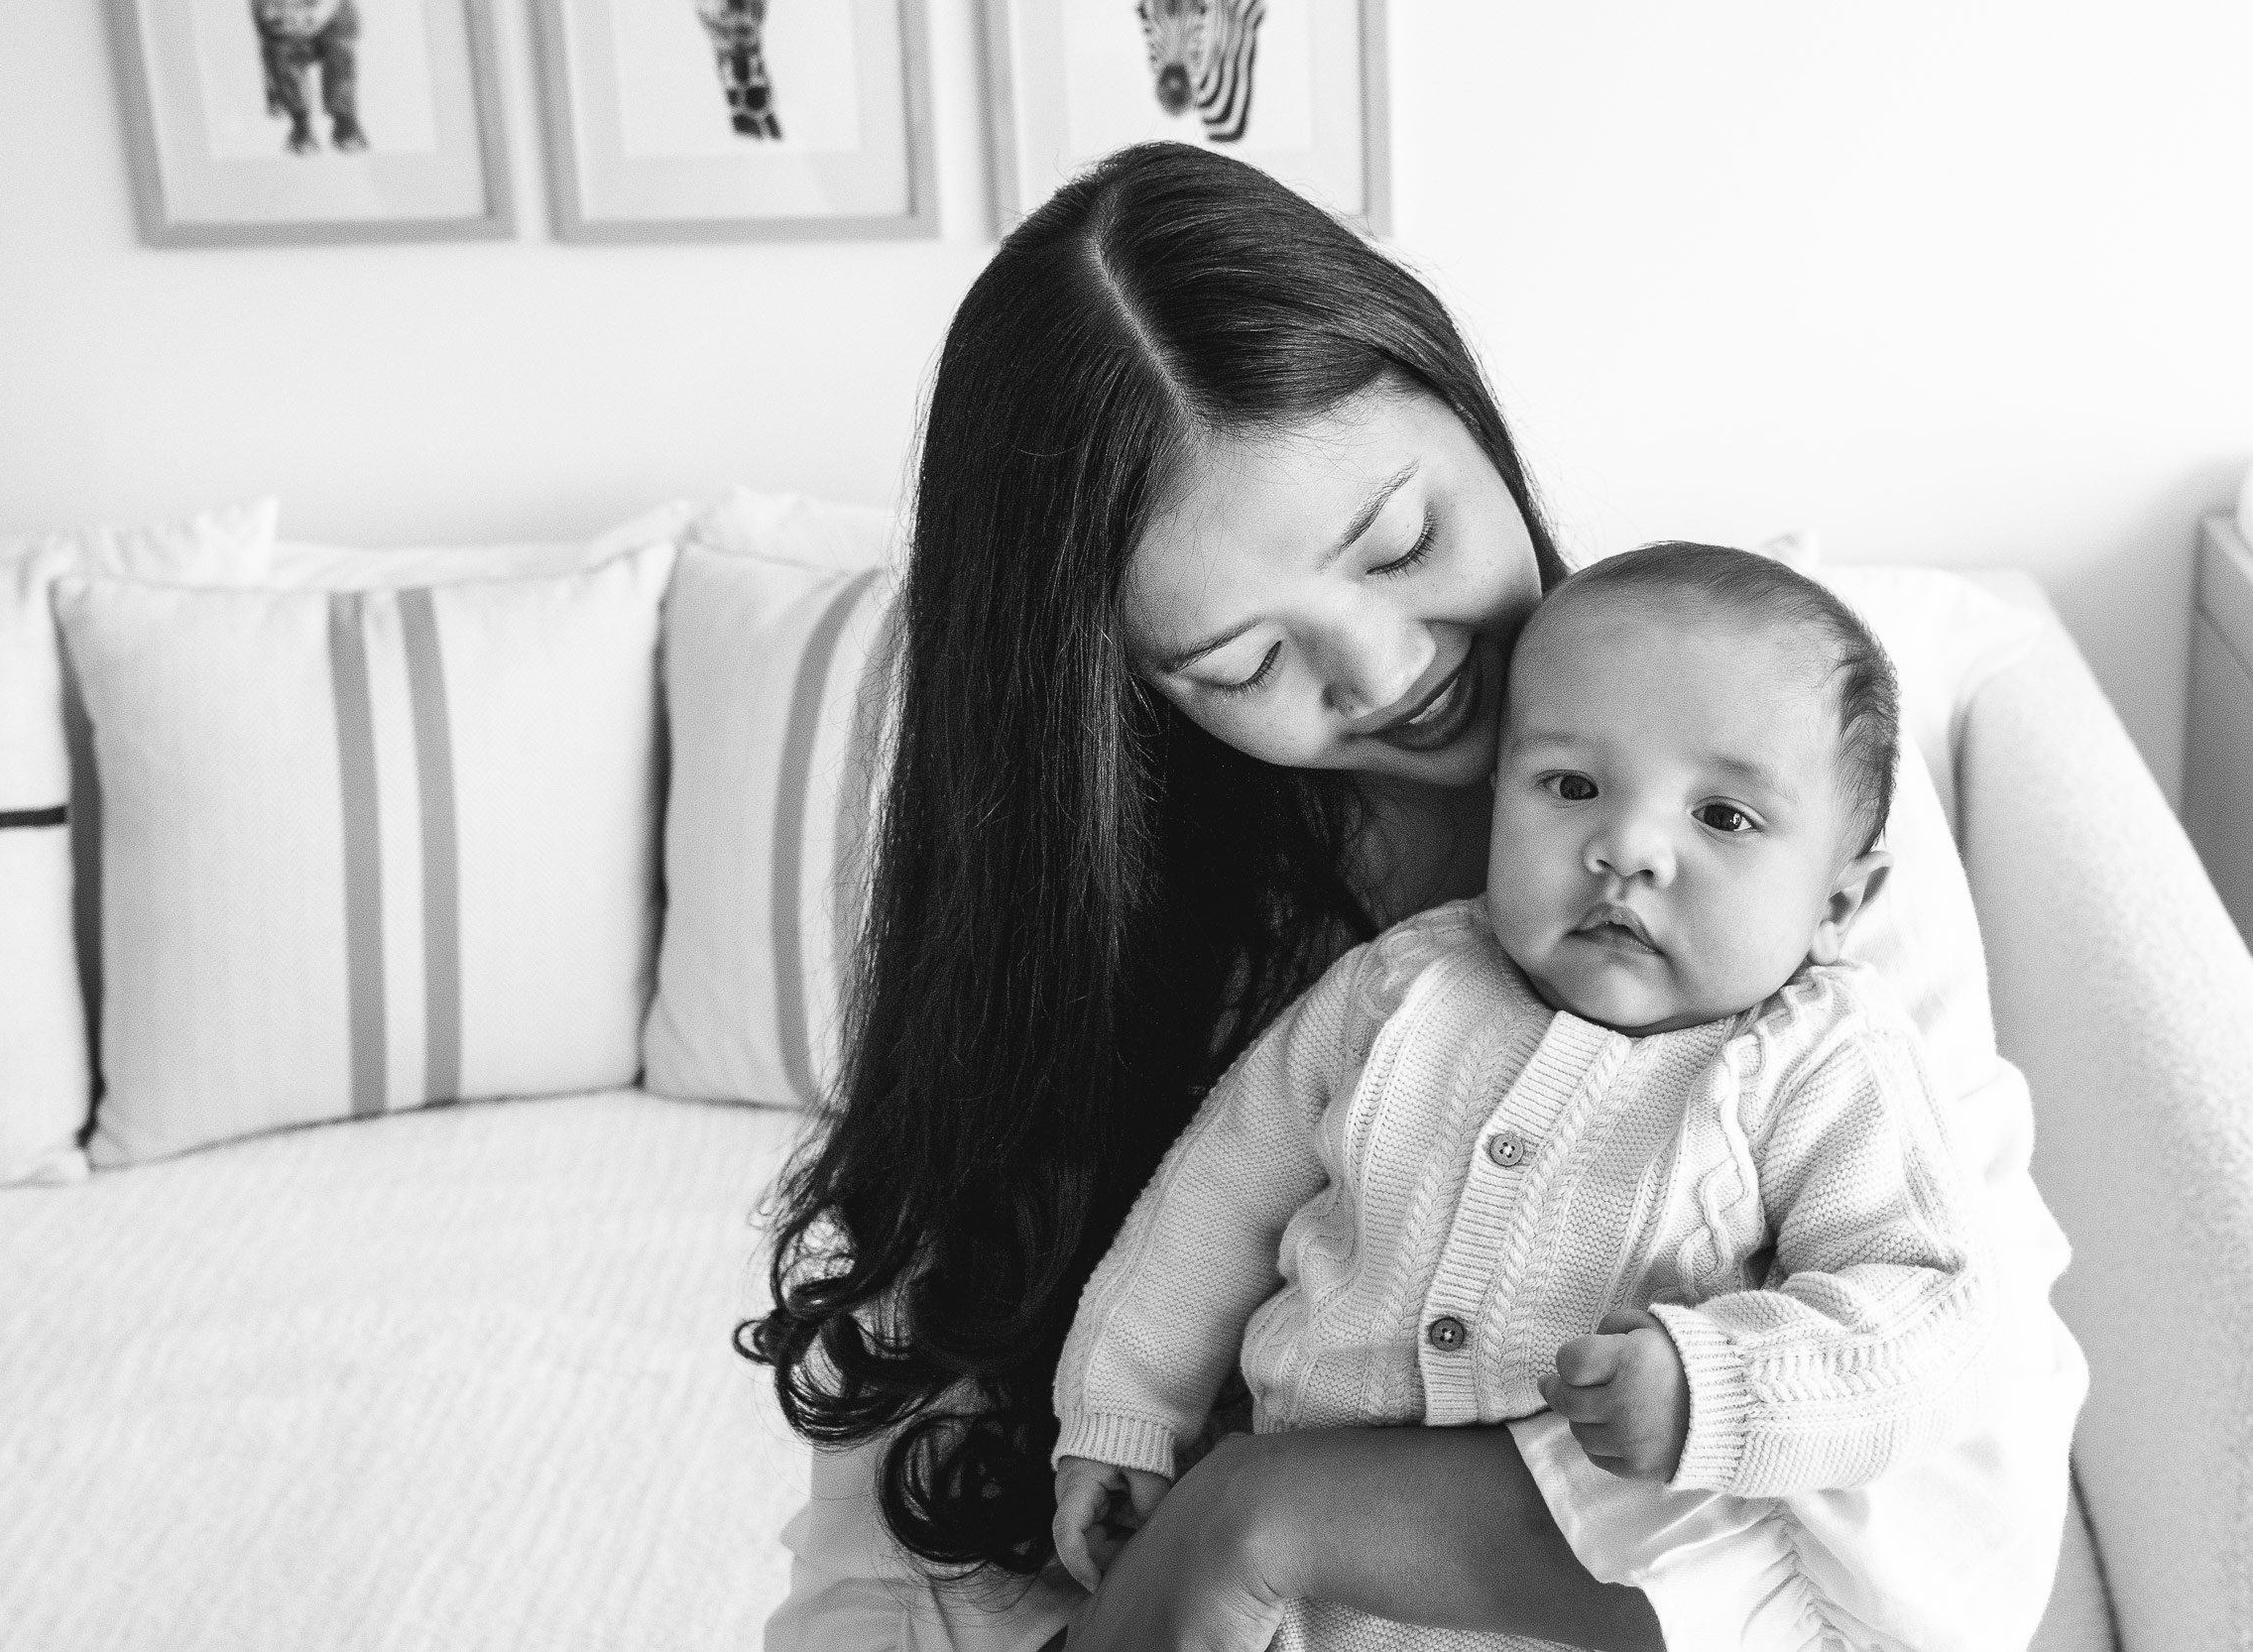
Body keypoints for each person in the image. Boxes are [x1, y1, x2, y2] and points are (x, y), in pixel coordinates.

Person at [746, 142, 2083, 1652]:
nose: (1389, 671)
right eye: (1246, 662)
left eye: (1403, 541)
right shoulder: (1151, 955)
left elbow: (1952, 1527)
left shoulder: (1780, 815)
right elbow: (882, 1556)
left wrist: (1268, 1519)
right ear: (1109, 695)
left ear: (1464, 406)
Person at [1051, 544, 1990, 1650]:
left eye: (1724, 817)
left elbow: (1923, 1315)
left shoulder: (1820, 1062)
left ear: (1840, 898)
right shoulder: (1402, 988)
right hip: (1290, 1612)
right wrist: (1121, 1410)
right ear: (1498, 794)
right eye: (1571, 785)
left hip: (1559, 1598)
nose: (1627, 848)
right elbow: (1216, 1197)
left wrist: (1717, 1385)